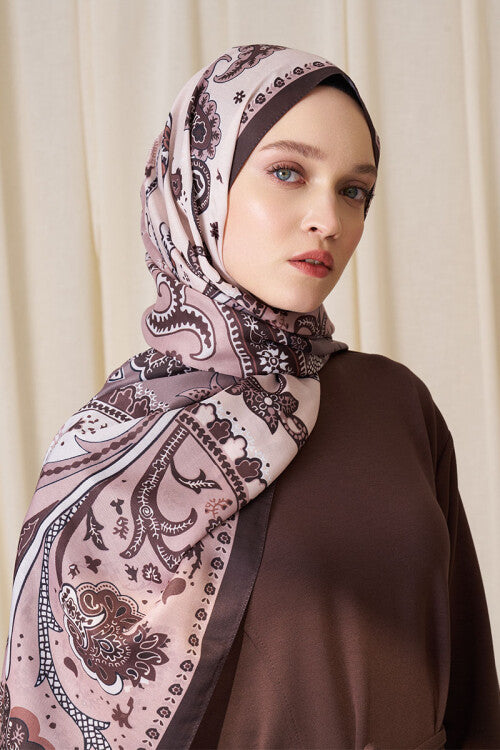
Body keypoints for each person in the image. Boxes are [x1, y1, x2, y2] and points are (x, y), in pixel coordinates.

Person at [0, 43, 498, 750]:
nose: (328, 218)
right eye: (289, 173)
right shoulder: (109, 441)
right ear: (198, 183)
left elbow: (473, 695)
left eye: (354, 190)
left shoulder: (396, 405)